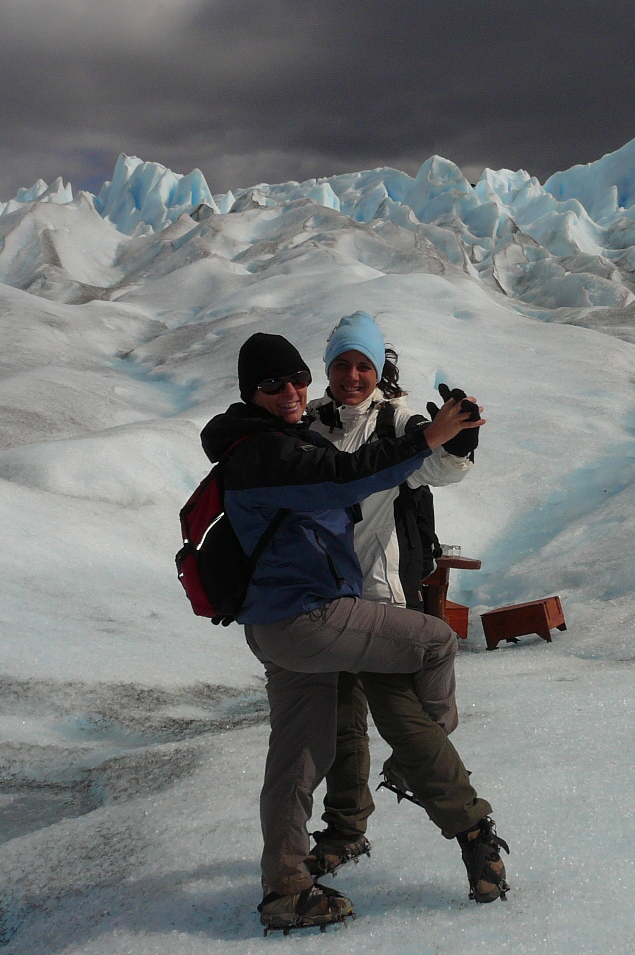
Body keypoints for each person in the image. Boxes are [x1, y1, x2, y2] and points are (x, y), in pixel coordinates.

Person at [199, 331, 508, 933]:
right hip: (314, 616)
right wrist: (428, 436)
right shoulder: (270, 449)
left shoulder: (277, 436)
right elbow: (343, 478)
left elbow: (426, 472)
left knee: (298, 755)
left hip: (283, 619)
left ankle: (286, 890)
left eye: (296, 380)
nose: (291, 391)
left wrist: (450, 439)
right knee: (438, 643)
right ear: (250, 392)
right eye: (273, 384)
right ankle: (425, 787)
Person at [302, 311, 477, 879]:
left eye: (364, 365)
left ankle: (472, 831)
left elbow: (436, 471)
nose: (352, 375)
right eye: (342, 364)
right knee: (337, 720)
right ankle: (345, 829)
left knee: (402, 717)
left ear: (379, 370)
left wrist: (460, 444)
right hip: (321, 599)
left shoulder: (398, 423)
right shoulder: (308, 424)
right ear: (328, 368)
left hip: (380, 597)